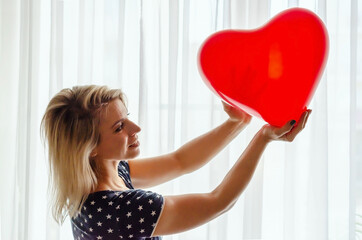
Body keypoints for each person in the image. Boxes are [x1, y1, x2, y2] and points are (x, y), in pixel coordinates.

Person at [41, 85, 311, 240]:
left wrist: (237, 122)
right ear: (89, 148)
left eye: (128, 117)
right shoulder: (121, 208)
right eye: (119, 127)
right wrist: (262, 138)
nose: (136, 128)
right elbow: (218, 202)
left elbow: (180, 161)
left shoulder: (106, 171)